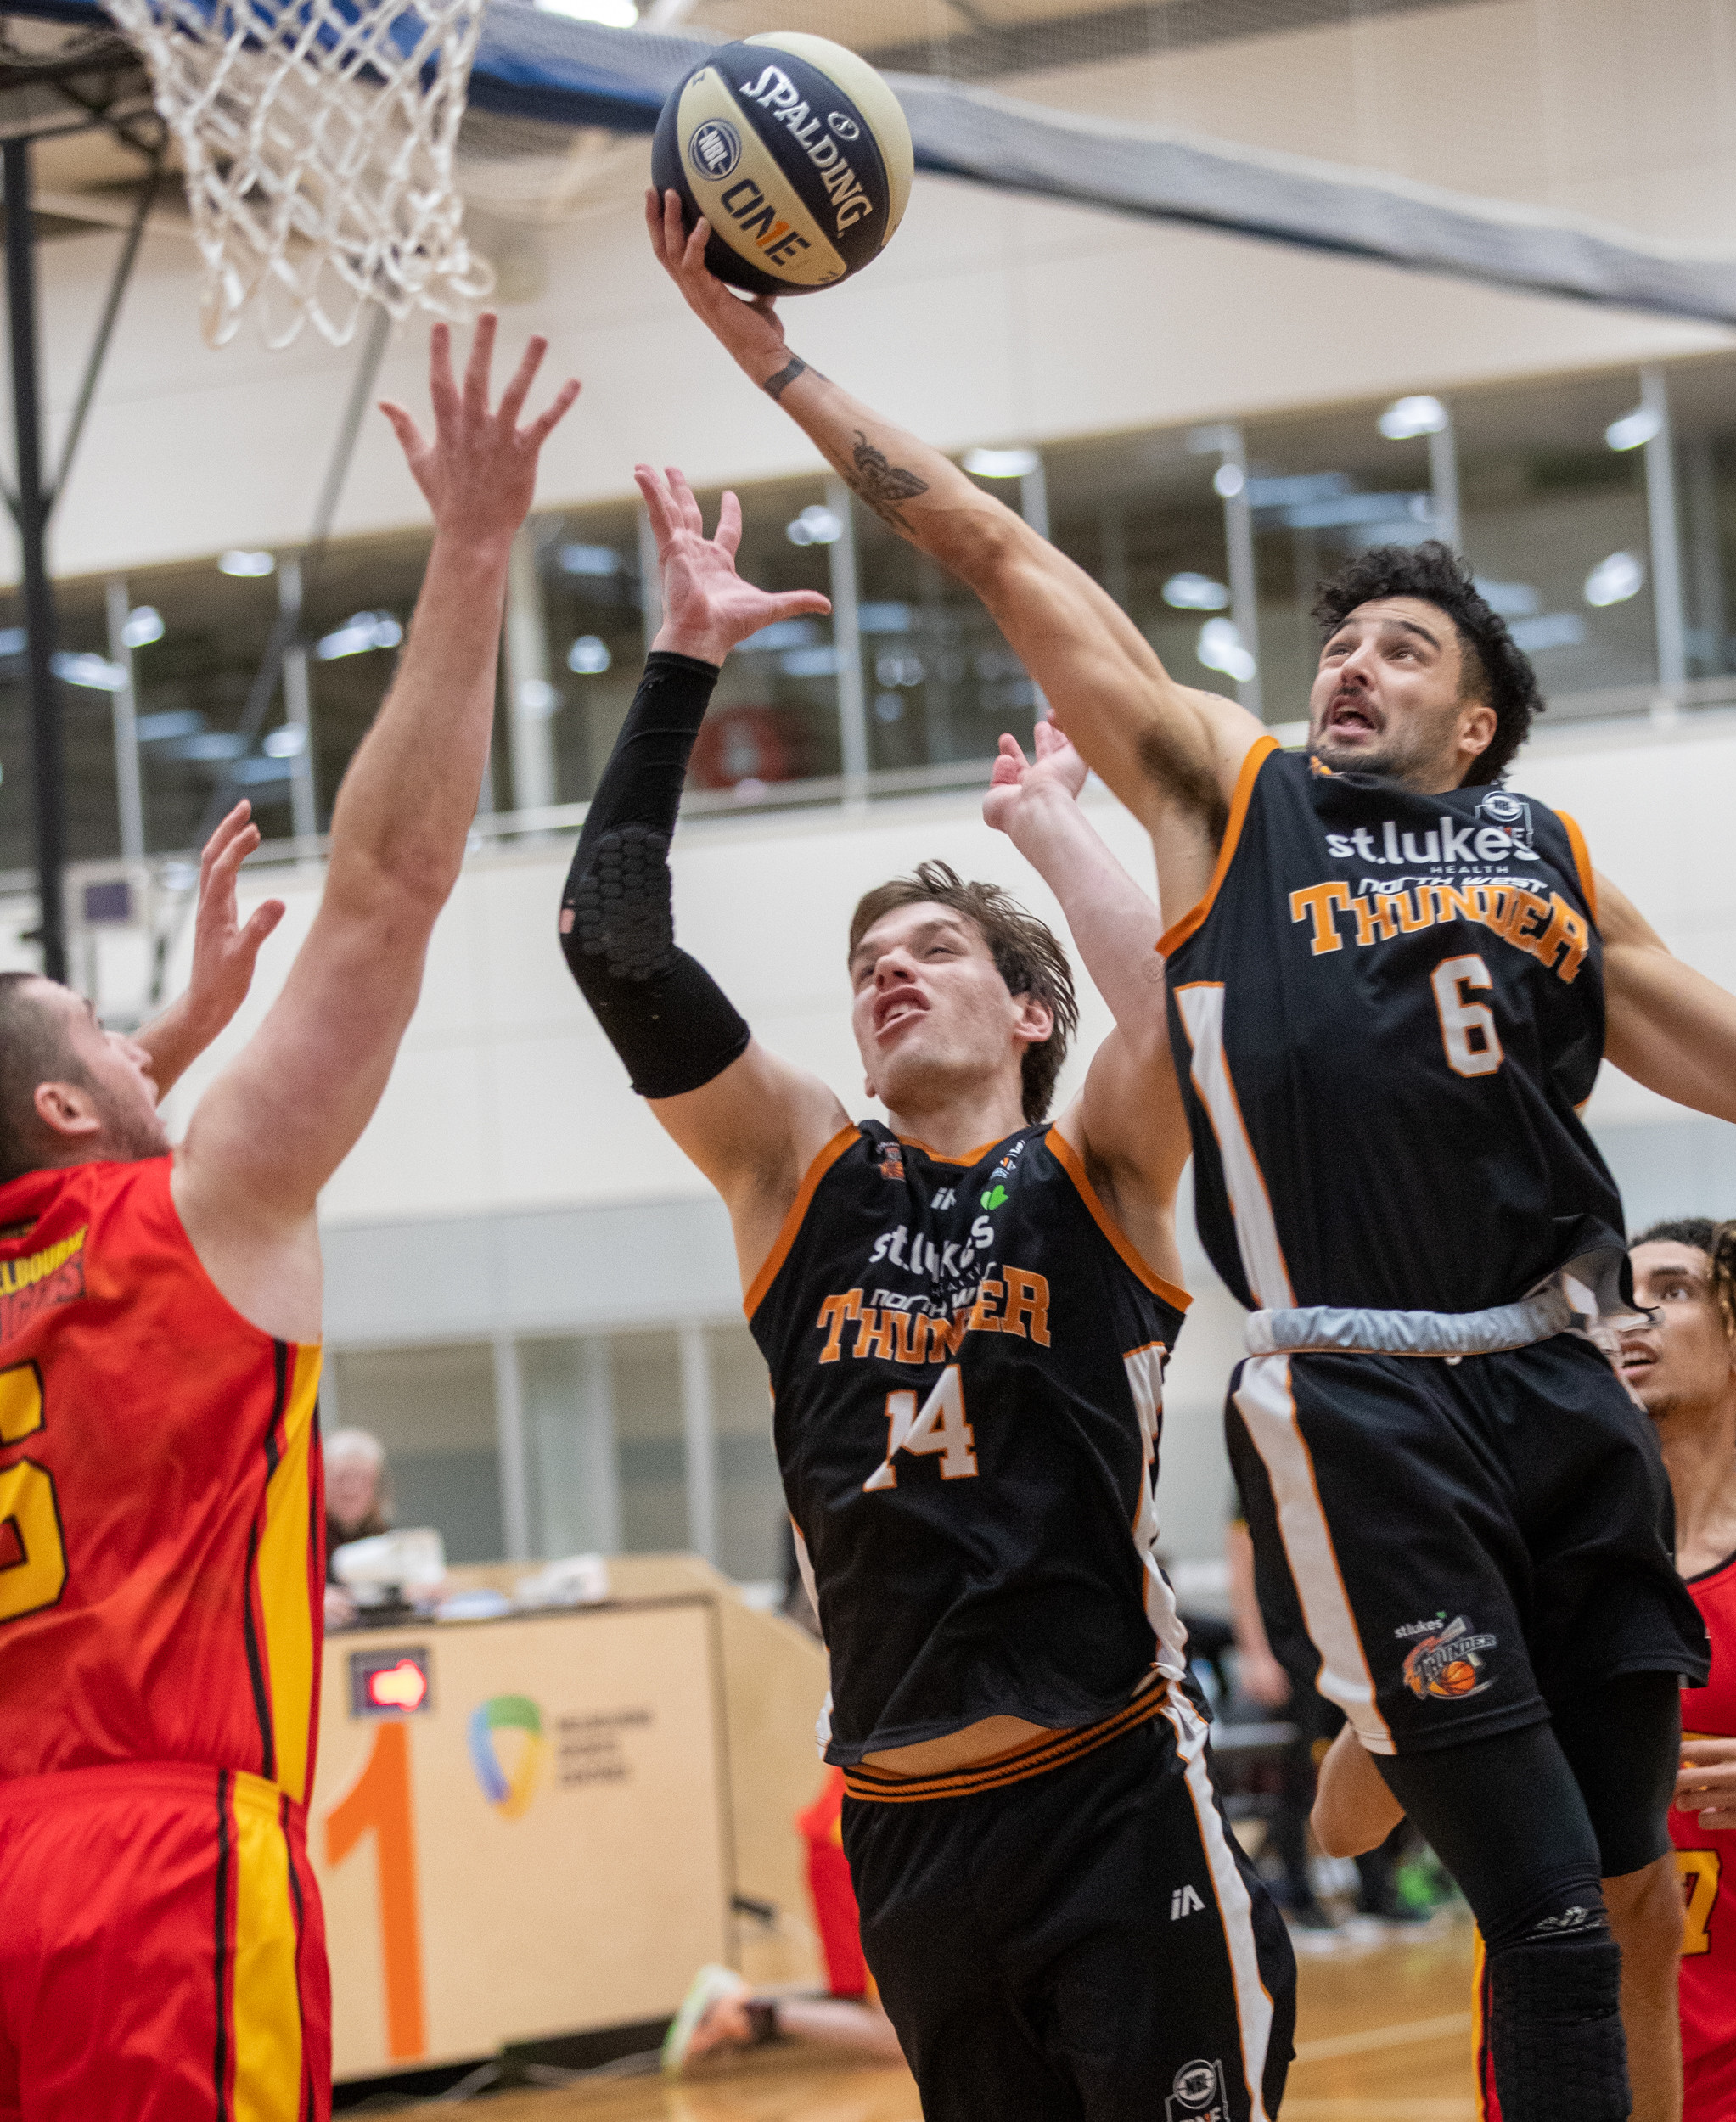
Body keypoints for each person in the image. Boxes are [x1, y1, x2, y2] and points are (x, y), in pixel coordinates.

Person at [649, 188, 1736, 2122]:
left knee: (1631, 1898)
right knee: (1546, 1920)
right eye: (1338, 643)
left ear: (1477, 719)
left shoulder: (1547, 861)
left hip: (1559, 1376)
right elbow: (999, 550)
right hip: (1367, 1397)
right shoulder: (1239, 796)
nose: (1349, 667)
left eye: (1400, 648)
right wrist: (779, 362)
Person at [556, 469, 1293, 2122]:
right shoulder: (796, 1172)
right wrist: (681, 659)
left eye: (933, 950)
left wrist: (1053, 830)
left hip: (1111, 1789)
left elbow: (1189, 1014)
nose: (887, 968)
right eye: (866, 962)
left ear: (1031, 1014)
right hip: (904, 1823)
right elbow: (610, 938)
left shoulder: (1094, 1172)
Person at [0, 318, 576, 2122]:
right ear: (69, 1108)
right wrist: (470, 548)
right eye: (108, 1028)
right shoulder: (208, 1207)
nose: (142, 1032)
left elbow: (45, 1169)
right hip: (159, 1868)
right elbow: (390, 884)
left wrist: (151, 1051)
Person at [1314, 1216, 1736, 2122]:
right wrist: (1463, 1623)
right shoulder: (1508, 1568)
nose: (1628, 1315)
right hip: (1564, 2085)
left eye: (1670, 1290)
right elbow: (1342, 1826)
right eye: (1611, 1298)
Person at [666, 1766, 906, 2072]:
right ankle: (743, 2011)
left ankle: (746, 2013)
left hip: (865, 1832)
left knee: (897, 2026)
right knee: (898, 2030)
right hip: (859, 1839)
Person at [323, 1426, 391, 1629]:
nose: (351, 1490)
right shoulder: (301, 1537)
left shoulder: (385, 1538)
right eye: (340, 1478)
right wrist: (309, 1601)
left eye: (362, 1479)